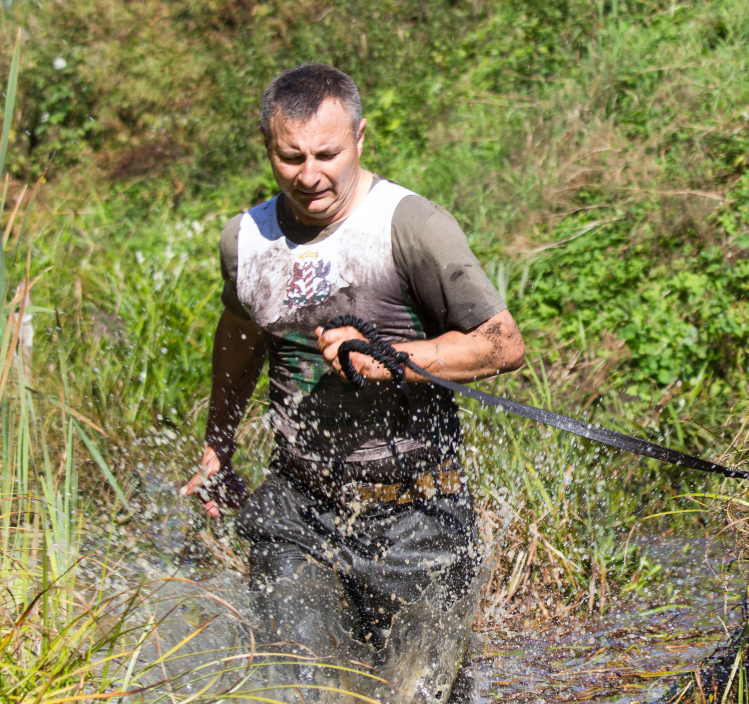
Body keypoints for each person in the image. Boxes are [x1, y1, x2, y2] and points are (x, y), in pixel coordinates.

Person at [180, 63, 524, 703]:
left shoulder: (412, 226)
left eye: (327, 154)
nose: (310, 175)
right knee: (303, 693)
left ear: (360, 139)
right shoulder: (244, 240)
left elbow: (503, 344)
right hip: (297, 513)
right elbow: (239, 344)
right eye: (291, 157)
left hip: (419, 516)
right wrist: (217, 448)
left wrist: (395, 355)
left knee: (421, 697)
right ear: (268, 149)